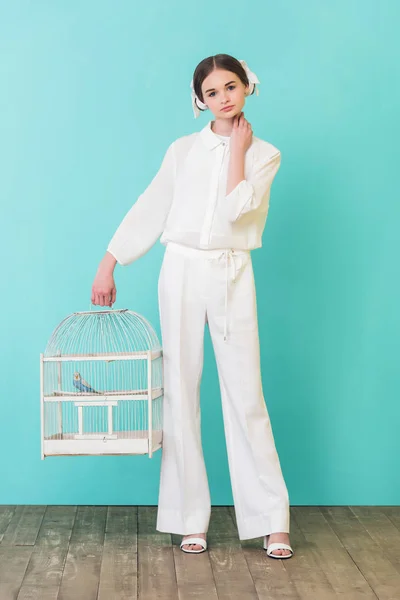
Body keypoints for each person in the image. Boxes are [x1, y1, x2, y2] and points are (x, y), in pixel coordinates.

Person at [91, 54, 294, 559]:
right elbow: (152, 204)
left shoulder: (265, 154)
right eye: (212, 93)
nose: (224, 98)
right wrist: (109, 261)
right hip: (179, 268)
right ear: (199, 101)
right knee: (180, 388)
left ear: (247, 86)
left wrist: (239, 151)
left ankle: (273, 520)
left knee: (245, 394)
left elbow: (233, 211)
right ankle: (188, 517)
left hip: (231, 270)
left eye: (231, 86)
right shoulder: (182, 150)